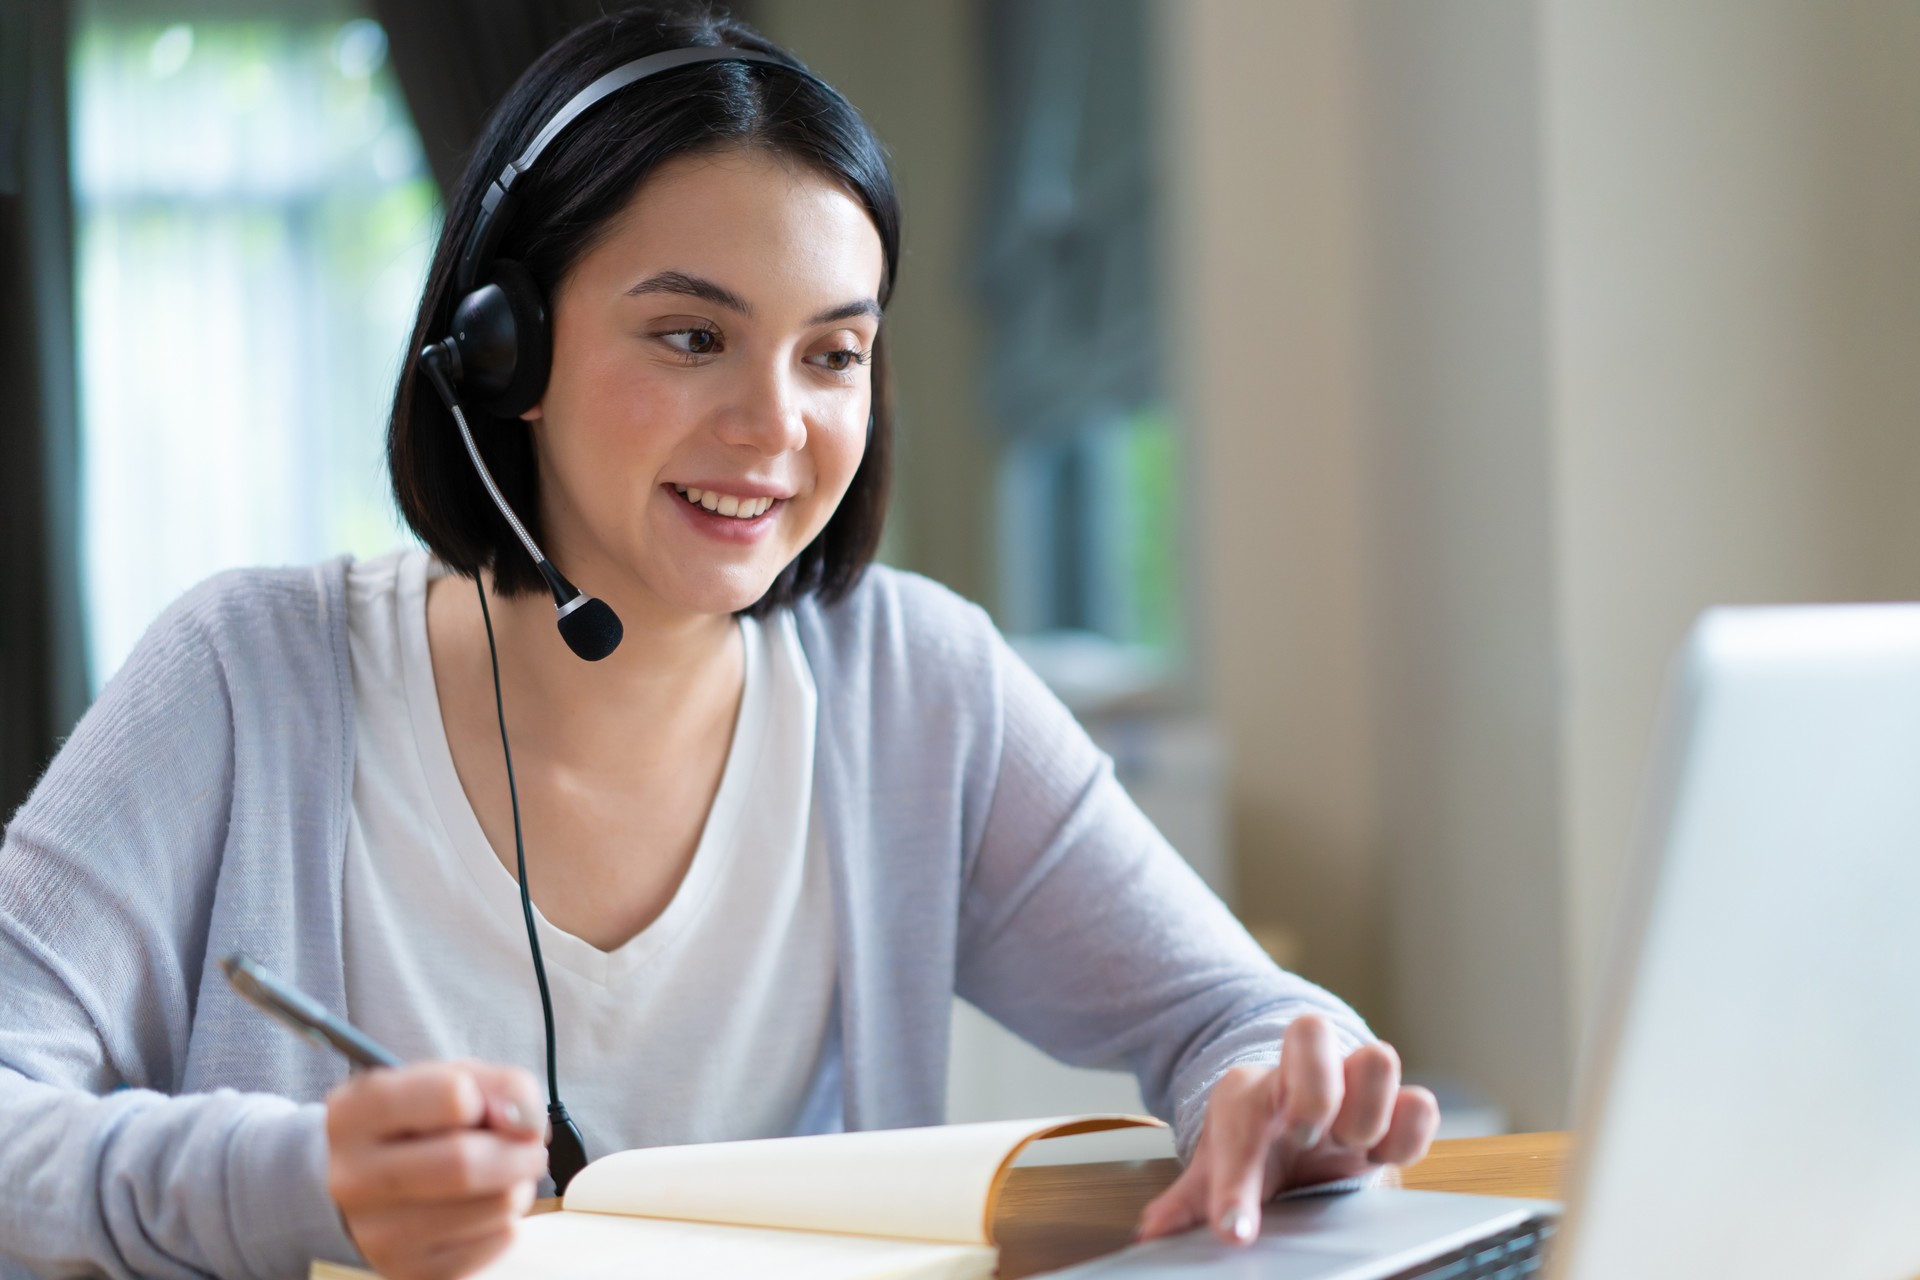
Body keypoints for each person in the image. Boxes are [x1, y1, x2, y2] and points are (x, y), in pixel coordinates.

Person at [0, 5, 1437, 1279]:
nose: (774, 428)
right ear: (504, 350)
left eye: (833, 353)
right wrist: (294, 1184)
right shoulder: (249, 679)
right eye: (692, 338)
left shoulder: (917, 688)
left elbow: (1229, 1011)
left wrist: (1271, 1077)